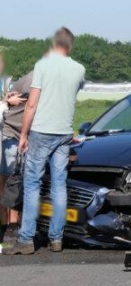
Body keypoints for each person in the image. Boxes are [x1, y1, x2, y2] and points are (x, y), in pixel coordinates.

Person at [3, 27, 85, 255]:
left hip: (41, 132)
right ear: (69, 45)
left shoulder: (42, 66)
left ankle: (26, 239)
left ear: (53, 44)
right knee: (60, 185)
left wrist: (24, 135)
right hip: (64, 133)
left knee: (32, 185)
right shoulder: (79, 69)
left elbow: (31, 105)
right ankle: (56, 239)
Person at [0, 72, 31, 246]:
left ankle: (7, 228)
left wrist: (5, 100)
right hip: (9, 137)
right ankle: (10, 228)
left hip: (7, 137)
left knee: (7, 183)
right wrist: (6, 103)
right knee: (10, 183)